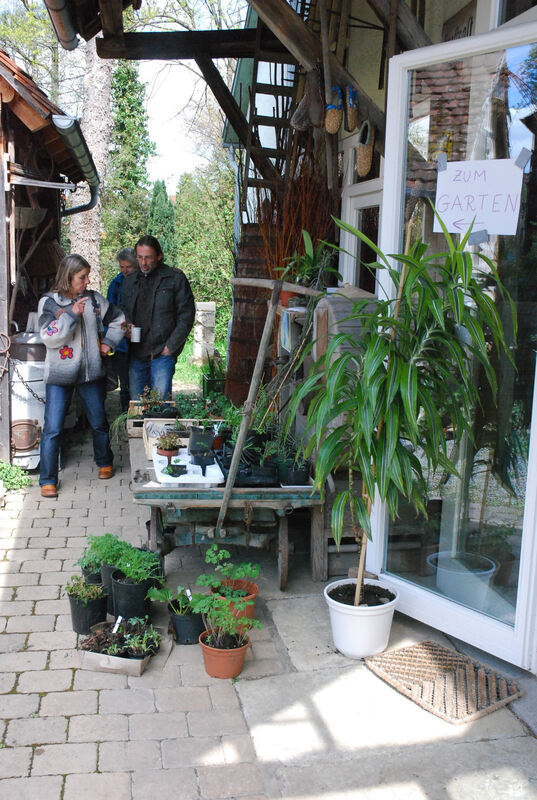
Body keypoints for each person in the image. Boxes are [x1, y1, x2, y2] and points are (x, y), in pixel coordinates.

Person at [38, 254, 126, 498]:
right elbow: (49, 337)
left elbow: (119, 319)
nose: (87, 281)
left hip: (91, 373)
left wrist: (108, 343)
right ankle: (48, 480)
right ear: (68, 277)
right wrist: (72, 315)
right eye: (82, 277)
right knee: (53, 428)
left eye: (87, 276)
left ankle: (105, 463)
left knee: (99, 422)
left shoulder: (95, 300)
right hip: (59, 375)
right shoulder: (49, 303)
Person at [120, 235, 195, 400]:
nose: (143, 263)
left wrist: (171, 347)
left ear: (159, 256)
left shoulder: (175, 278)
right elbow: (122, 309)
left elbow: (186, 315)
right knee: (137, 406)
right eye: (139, 257)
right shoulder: (130, 280)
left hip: (162, 353)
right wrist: (126, 325)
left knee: (161, 407)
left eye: (148, 258)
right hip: (136, 352)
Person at [106, 247, 138, 411]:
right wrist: (122, 329)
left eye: (129, 267)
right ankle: (126, 413)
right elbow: (110, 312)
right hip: (122, 343)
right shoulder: (116, 284)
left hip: (140, 341)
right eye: (122, 267)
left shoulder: (143, 282)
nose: (125, 271)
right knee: (125, 382)